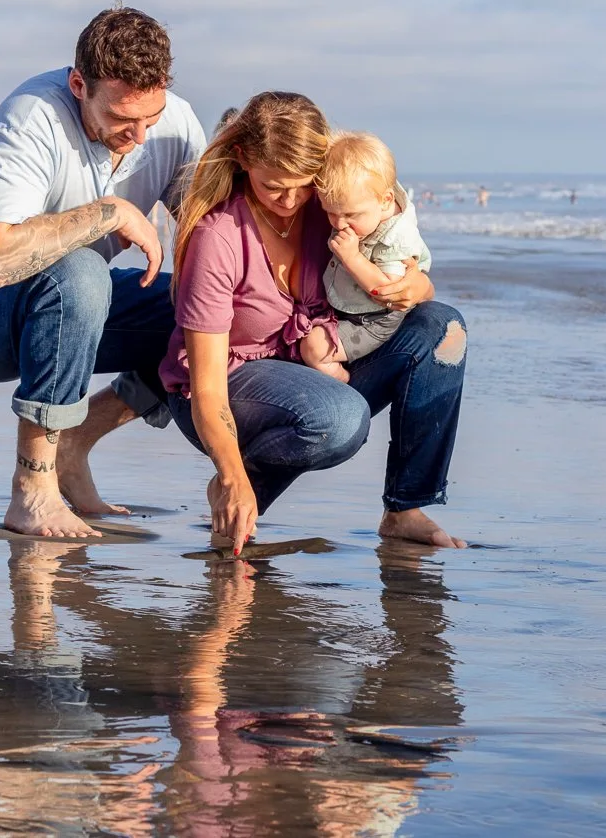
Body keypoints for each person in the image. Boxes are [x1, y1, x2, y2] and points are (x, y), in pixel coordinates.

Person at [0, 6, 206, 539]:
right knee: (81, 271)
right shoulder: (32, 115)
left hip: (67, 309)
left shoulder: (175, 125)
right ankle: (33, 491)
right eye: (120, 120)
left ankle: (75, 441)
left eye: (149, 119)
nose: (138, 137)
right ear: (78, 84)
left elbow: (213, 244)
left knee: (194, 309)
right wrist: (109, 213)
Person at [159, 91, 468, 557]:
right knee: (340, 419)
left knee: (442, 327)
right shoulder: (217, 238)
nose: (291, 201)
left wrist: (418, 286)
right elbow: (205, 388)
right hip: (230, 382)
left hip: (314, 362)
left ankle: (406, 509)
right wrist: (231, 473)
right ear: (243, 160)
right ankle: (246, 486)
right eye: (274, 187)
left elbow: (396, 252)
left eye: (305, 186)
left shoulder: (328, 209)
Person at [297, 132, 431, 377]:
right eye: (331, 213)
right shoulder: (365, 196)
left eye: (350, 215)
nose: (339, 224)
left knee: (313, 349)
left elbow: (388, 292)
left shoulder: (397, 237)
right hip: (348, 307)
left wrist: (352, 258)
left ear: (385, 200)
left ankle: (345, 382)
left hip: (375, 319)